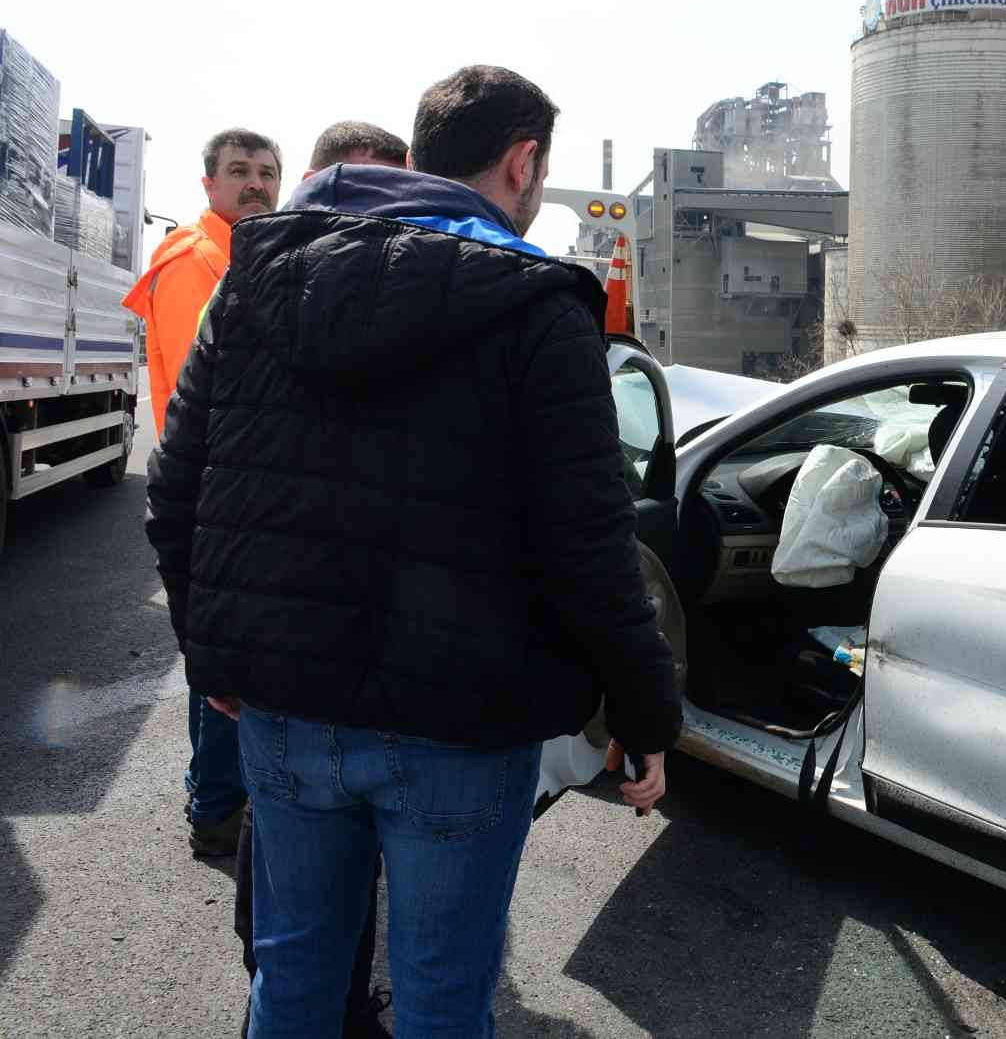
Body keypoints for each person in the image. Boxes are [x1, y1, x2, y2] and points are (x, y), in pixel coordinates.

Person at [145, 66, 680, 1038]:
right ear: (522, 162)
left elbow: (175, 488)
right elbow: (593, 550)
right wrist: (643, 713)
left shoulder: (256, 278)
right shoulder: (537, 307)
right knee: (441, 1001)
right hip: (462, 725)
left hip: (286, 707)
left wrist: (211, 651)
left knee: (292, 982)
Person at [229, 123, 410, 1039]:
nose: (372, 211)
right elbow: (197, 487)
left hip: (342, 653)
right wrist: (216, 643)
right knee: (291, 886)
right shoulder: (251, 285)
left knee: (325, 872)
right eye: (357, 186)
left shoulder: (420, 292)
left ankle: (326, 995)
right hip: (285, 646)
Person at [123, 128, 282, 858]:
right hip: (215, 488)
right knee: (225, 653)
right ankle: (217, 807)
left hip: (224, 486)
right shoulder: (198, 260)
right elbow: (217, 389)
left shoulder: (238, 253)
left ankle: (215, 794)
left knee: (225, 649)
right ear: (208, 184)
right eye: (239, 171)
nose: (256, 184)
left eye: (267, 173)